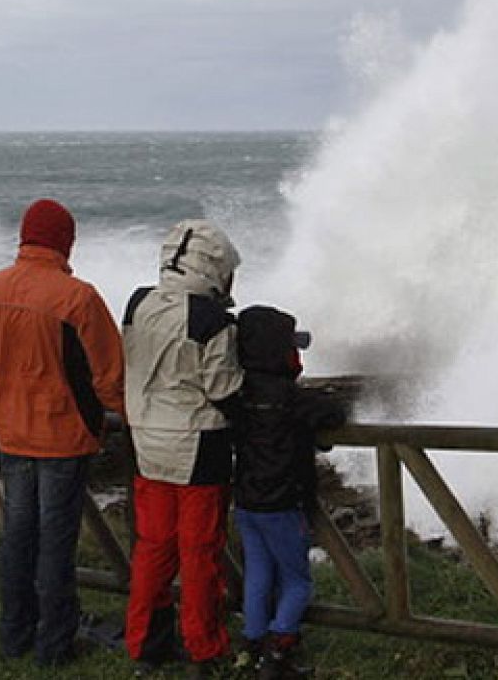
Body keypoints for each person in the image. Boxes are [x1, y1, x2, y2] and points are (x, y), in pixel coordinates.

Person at [0, 198, 126, 666]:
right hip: (63, 437)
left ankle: (14, 637)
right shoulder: (78, 297)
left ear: (25, 236)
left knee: (17, 537)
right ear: (64, 240)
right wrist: (131, 416)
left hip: (13, 433)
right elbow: (109, 378)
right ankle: (53, 648)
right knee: (56, 544)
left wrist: (1, 404)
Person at [121, 219, 244, 678]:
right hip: (199, 445)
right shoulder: (212, 320)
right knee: (199, 552)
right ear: (214, 268)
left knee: (153, 548)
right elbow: (224, 391)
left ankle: (146, 646)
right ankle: (202, 648)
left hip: (145, 442)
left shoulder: (138, 303)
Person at [229, 305, 346, 679]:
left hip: (247, 501)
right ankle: (278, 654)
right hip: (282, 504)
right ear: (280, 352)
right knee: (297, 581)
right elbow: (333, 413)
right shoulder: (291, 397)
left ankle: (251, 644)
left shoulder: (236, 392)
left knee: (258, 575)